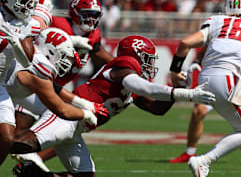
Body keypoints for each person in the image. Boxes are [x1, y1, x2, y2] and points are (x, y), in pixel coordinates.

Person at [11, 35, 216, 177]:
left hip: (77, 128)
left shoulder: (132, 85)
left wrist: (175, 88)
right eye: (146, 59)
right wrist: (186, 94)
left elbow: (157, 109)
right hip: (67, 116)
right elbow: (142, 86)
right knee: (24, 144)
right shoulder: (123, 67)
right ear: (134, 56)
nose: (149, 65)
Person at [170, 0, 241, 177]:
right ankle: (204, 160)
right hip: (228, 79)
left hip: (204, 78)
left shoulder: (217, 21)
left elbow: (185, 43)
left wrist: (174, 72)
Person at [13, 0, 114, 171]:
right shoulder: (57, 24)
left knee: (65, 128)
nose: (91, 19)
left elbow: (98, 53)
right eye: (87, 13)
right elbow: (29, 38)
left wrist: (117, 63)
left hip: (55, 88)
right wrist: (70, 40)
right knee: (15, 133)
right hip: (31, 84)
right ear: (75, 12)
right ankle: (30, 158)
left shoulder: (94, 34)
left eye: (95, 15)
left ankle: (32, 160)